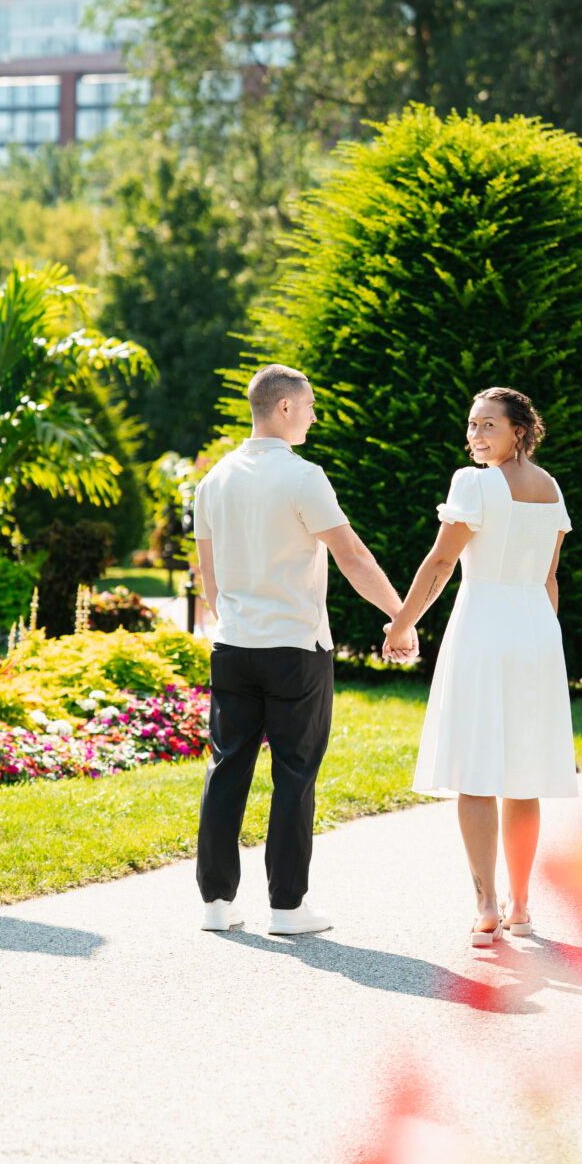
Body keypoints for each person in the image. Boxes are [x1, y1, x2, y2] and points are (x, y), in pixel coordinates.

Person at [194, 364, 414, 936]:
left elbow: (208, 577)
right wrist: (401, 617)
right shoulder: (303, 477)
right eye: (310, 405)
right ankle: (288, 908)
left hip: (233, 646)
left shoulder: (213, 479)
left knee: (226, 767)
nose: (315, 416)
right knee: (294, 773)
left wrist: (234, 620)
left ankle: (216, 902)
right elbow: (353, 556)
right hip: (295, 648)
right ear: (284, 407)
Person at [383, 386, 577, 947]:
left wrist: (401, 623)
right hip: (537, 633)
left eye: (489, 425)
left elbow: (441, 561)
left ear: (520, 431)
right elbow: (549, 576)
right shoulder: (550, 487)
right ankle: (521, 907)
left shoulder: (473, 484)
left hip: (484, 629)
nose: (475, 435)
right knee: (523, 772)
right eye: (472, 425)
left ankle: (488, 906)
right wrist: (544, 639)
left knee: (476, 772)